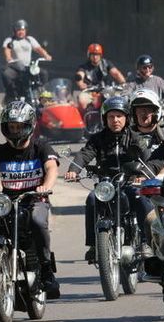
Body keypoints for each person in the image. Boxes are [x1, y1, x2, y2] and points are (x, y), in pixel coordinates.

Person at [0, 101, 62, 298]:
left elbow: (52, 168)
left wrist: (46, 187)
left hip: (35, 199)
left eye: (20, 126)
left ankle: (46, 271)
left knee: (37, 221)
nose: (16, 131)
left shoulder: (41, 147)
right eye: (12, 126)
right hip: (8, 202)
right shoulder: (0, 151)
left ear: (29, 126)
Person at [64, 96, 154, 261]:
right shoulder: (98, 139)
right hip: (107, 184)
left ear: (126, 118)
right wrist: (73, 170)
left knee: (141, 199)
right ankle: (93, 245)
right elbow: (85, 154)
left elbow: (148, 160)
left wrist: (143, 175)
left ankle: (145, 242)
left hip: (130, 182)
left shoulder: (135, 138)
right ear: (105, 119)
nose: (115, 120)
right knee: (92, 199)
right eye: (111, 117)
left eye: (119, 116)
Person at [1, 19, 53, 103]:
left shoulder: (30, 39)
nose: (21, 32)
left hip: (28, 67)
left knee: (43, 73)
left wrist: (46, 55)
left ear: (26, 31)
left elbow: (38, 48)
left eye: (23, 30)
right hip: (15, 67)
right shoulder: (10, 40)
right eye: (19, 30)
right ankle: (11, 95)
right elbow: (7, 49)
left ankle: (42, 92)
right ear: (15, 31)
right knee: (6, 74)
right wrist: (8, 58)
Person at [75, 43, 125, 109]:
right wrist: (80, 83)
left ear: (100, 55)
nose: (95, 57)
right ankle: (87, 117)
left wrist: (123, 83)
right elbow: (80, 74)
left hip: (106, 90)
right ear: (89, 55)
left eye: (97, 55)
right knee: (82, 100)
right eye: (93, 54)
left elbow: (116, 73)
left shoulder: (106, 64)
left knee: (119, 99)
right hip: (90, 92)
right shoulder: (84, 67)